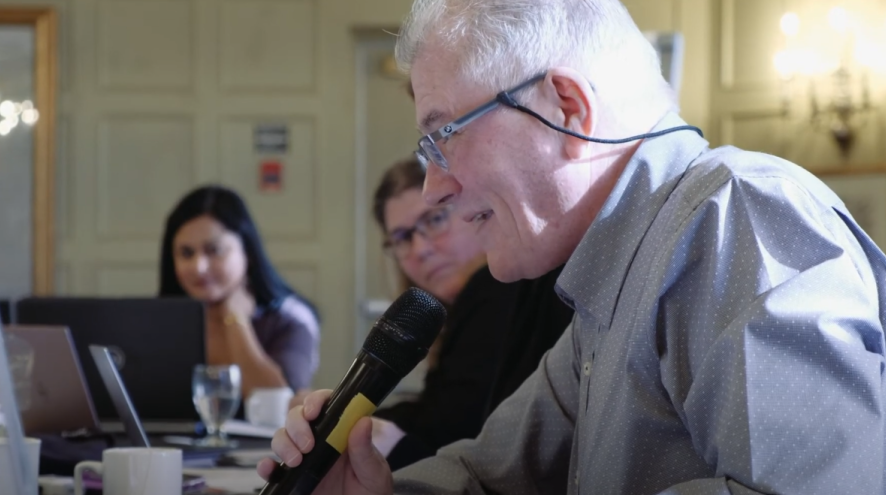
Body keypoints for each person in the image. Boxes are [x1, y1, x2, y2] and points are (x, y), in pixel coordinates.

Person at [260, 0, 886, 493]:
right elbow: (491, 478)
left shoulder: (739, 217)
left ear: (566, 107)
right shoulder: (610, 277)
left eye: (443, 137)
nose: (432, 189)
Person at [368, 157, 574, 470]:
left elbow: (452, 431)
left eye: (434, 220)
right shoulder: (460, 306)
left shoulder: (497, 288)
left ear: (472, 212)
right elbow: (438, 408)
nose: (420, 249)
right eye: (402, 238)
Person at [159, 185, 320, 399]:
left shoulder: (290, 318)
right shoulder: (162, 318)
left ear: (247, 252)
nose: (199, 267)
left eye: (214, 250)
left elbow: (276, 400)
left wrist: (235, 319)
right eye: (186, 253)